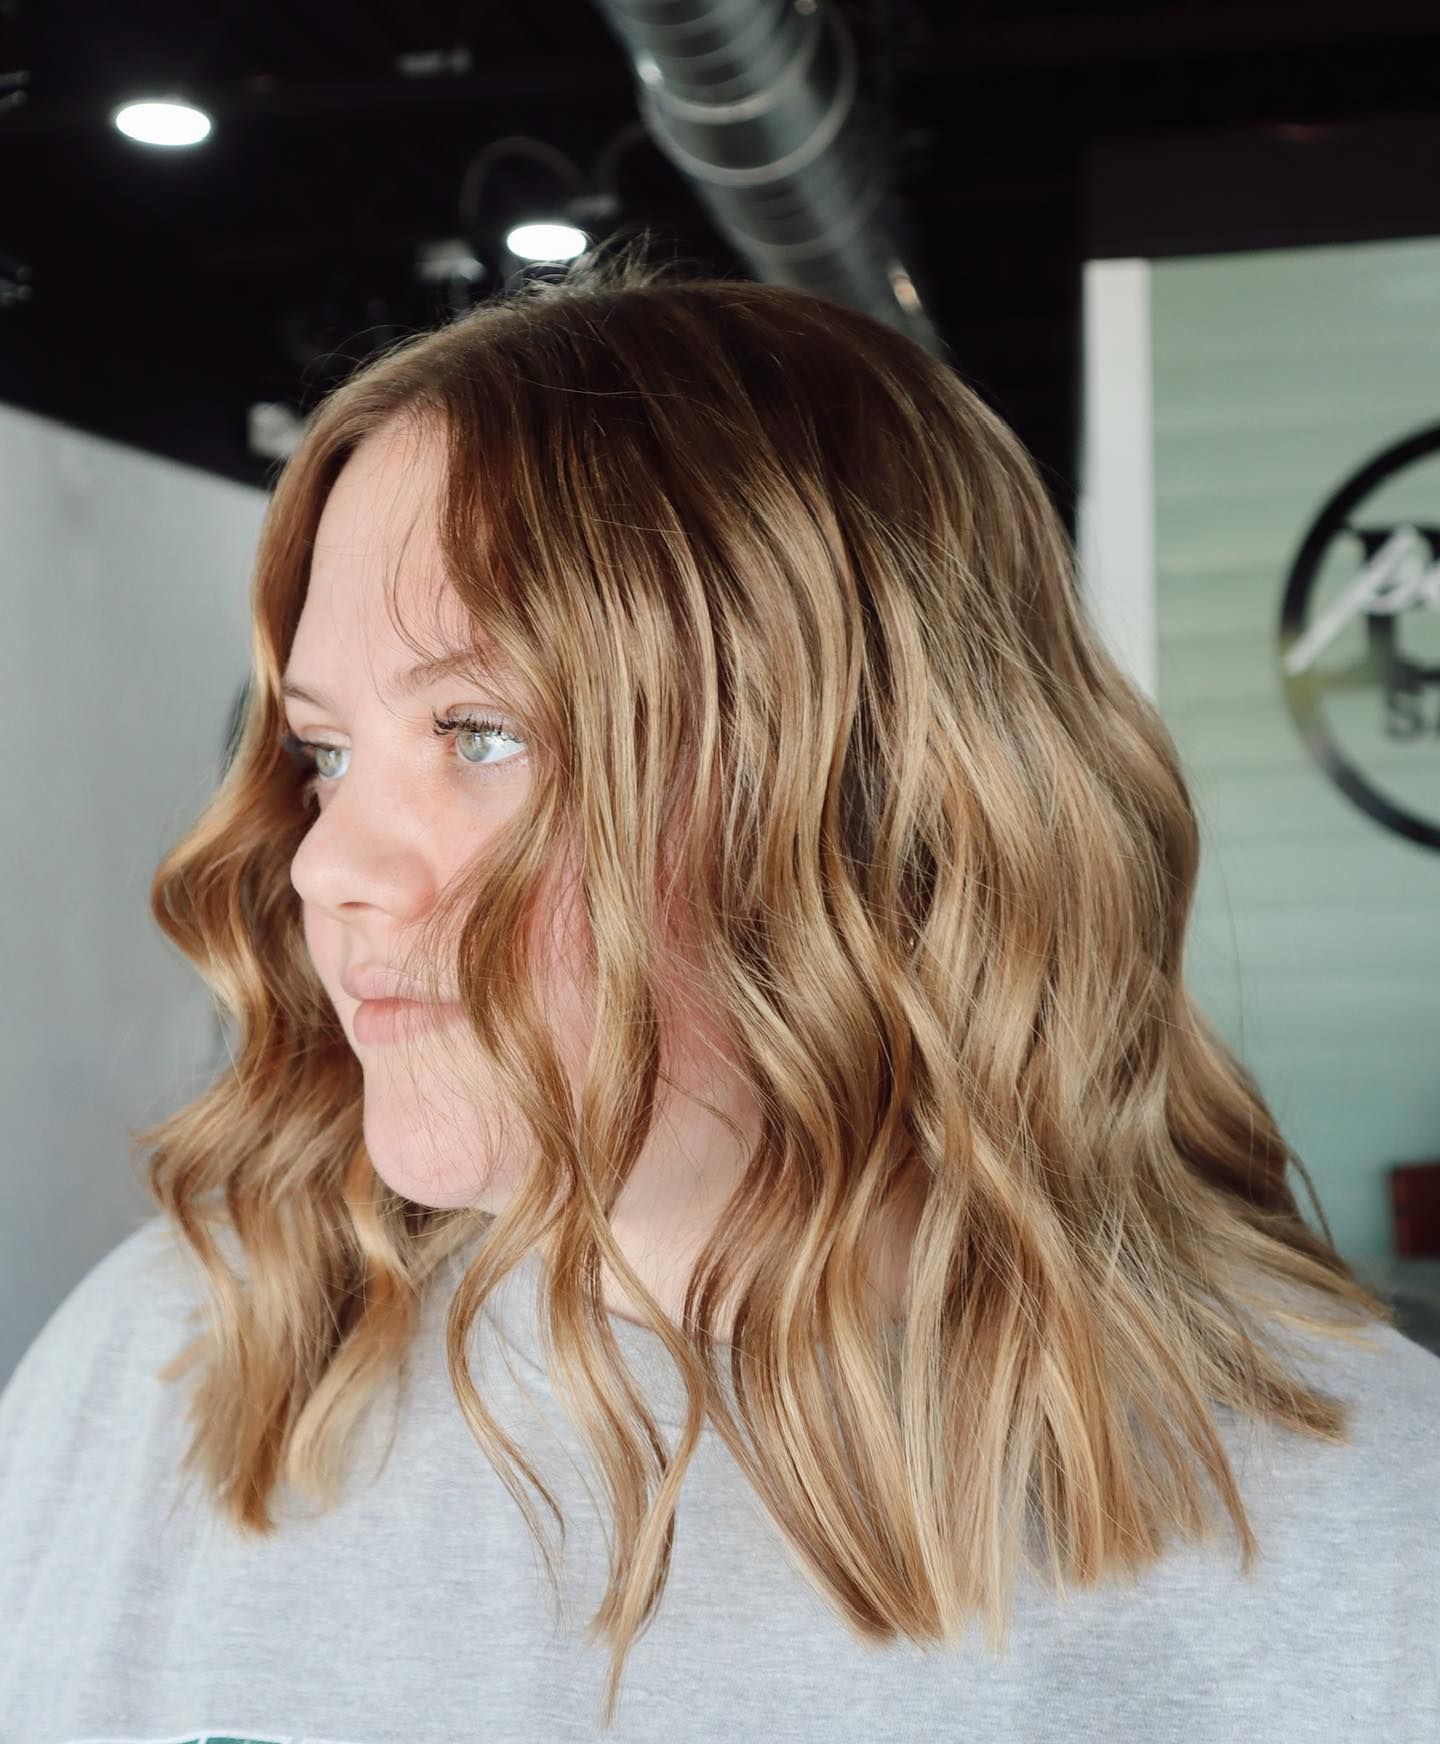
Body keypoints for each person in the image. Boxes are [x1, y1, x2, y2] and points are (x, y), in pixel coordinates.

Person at [3, 236, 1439, 1744]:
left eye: (481, 732)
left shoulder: (1362, 1529)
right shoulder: (173, 1366)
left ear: (868, 793)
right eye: (325, 751)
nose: (324, 868)